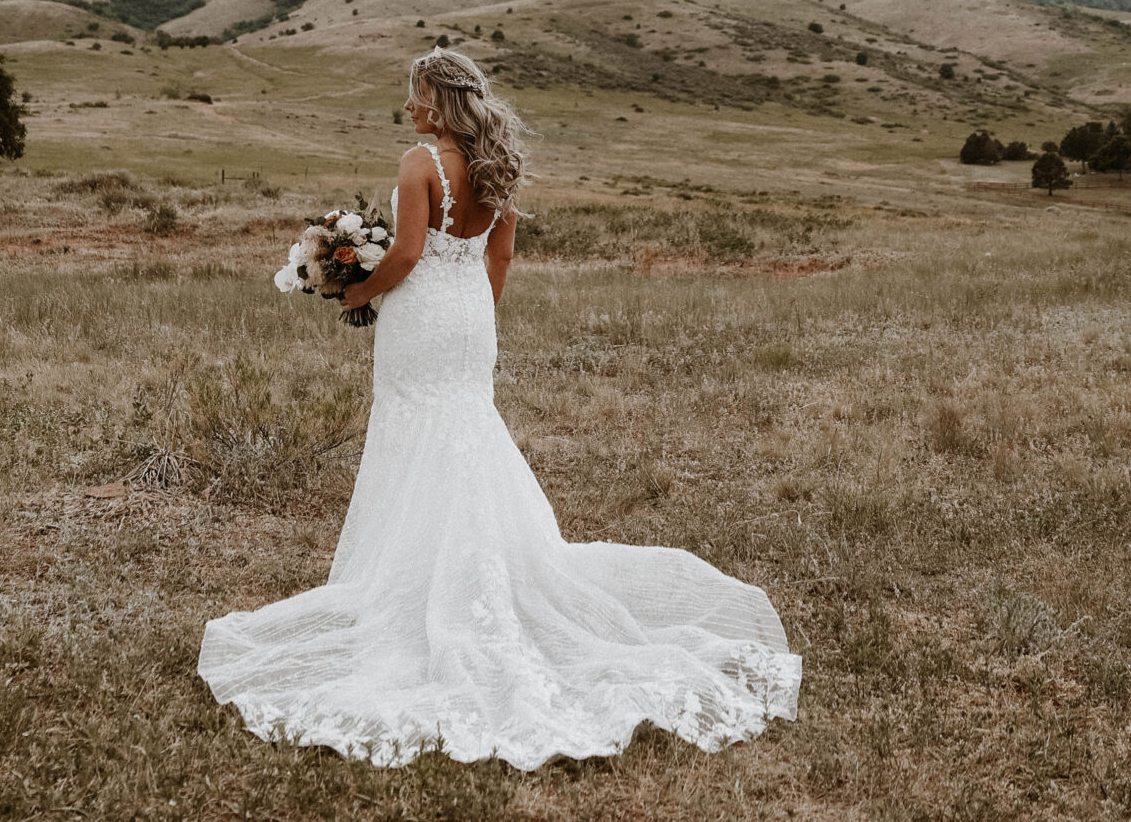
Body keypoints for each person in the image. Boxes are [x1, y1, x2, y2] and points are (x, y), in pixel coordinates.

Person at [198, 48, 799, 768]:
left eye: (417, 92)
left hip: (421, 317)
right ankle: (476, 575)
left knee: (414, 433)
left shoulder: (418, 162)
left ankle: (414, 586)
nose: (411, 104)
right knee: (467, 431)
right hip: (471, 317)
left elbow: (411, 254)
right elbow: (501, 257)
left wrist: (353, 289)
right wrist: (476, 313)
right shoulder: (497, 165)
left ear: (439, 99)